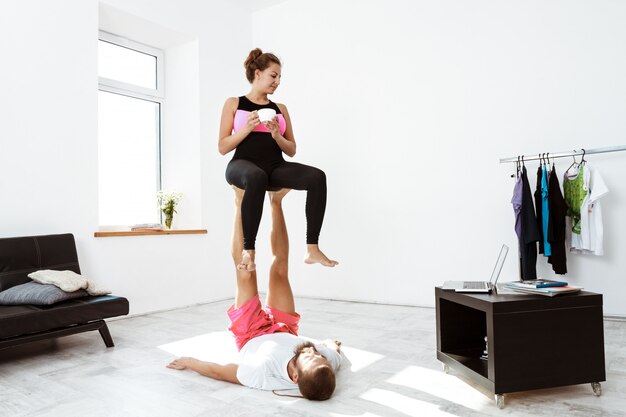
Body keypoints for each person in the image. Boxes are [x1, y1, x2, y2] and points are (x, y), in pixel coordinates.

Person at [167, 187, 342, 401]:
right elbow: (332, 349)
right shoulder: (326, 363)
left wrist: (188, 361)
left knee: (245, 270)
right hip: (283, 328)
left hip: (250, 333)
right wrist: (331, 344)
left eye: (310, 357)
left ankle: (239, 199)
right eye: (319, 356)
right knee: (280, 269)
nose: (313, 351)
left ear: (295, 377)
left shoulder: (261, 374)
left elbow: (219, 372)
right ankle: (275, 200)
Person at [218, 48, 338, 271]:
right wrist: (247, 129)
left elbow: (291, 150)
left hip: (275, 166)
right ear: (258, 74)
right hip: (241, 165)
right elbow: (223, 147)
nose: (278, 81)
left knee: (317, 177)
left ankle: (312, 247)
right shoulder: (235, 103)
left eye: (280, 77)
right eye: (274, 75)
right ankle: (249, 252)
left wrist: (276, 135)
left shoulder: (280, 109)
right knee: (256, 176)